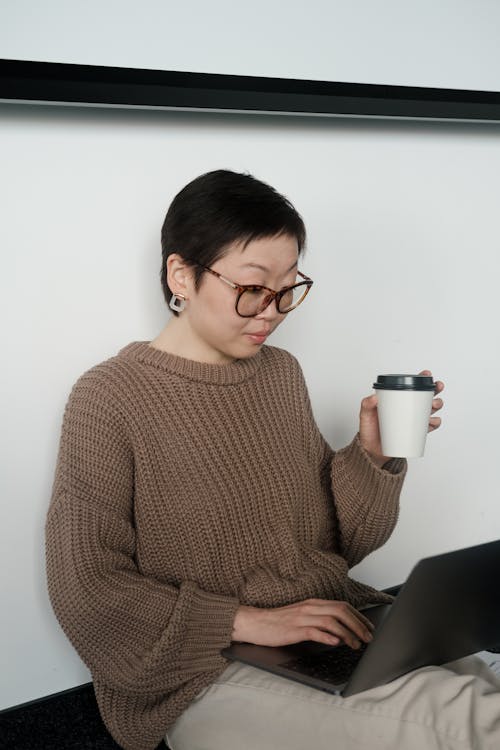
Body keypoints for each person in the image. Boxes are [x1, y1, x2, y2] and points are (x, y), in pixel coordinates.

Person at [46, 169, 499, 750]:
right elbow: (85, 587)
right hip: (201, 673)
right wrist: (247, 622)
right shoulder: (109, 397)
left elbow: (337, 546)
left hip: (321, 633)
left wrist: (371, 457)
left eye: (288, 288)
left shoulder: (281, 375)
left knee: (478, 686)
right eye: (253, 287)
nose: (273, 311)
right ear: (180, 274)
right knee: (472, 720)